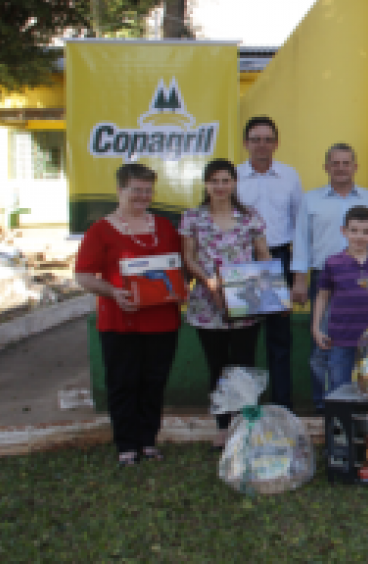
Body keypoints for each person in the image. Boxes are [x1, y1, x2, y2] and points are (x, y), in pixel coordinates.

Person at [74, 164, 183, 466]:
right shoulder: (101, 230)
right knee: (123, 383)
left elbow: (176, 267)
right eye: (136, 189)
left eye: (147, 190)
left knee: (154, 382)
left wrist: (180, 286)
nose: (142, 196)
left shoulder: (163, 226)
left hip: (161, 320)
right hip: (120, 320)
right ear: (120, 190)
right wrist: (113, 292)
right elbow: (83, 276)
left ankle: (148, 441)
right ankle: (126, 446)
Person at [179, 159, 274, 447]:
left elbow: (263, 254)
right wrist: (210, 283)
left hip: (245, 299)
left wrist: (270, 290)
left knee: (244, 366)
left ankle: (245, 423)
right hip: (208, 303)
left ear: (234, 183)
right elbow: (189, 258)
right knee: (218, 366)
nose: (220, 187)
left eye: (226, 181)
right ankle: (222, 426)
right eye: (214, 181)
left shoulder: (250, 217)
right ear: (206, 184)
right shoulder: (192, 217)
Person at [290, 143, 368, 412]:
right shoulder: (311, 199)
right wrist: (299, 278)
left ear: (355, 167)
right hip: (325, 277)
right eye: (335, 163)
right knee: (324, 345)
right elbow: (301, 239)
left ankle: (367, 401)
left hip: (366, 278)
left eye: (346, 163)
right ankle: (324, 403)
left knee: (366, 345)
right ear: (326, 167)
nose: (341, 168)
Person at [236, 115, 303, 410]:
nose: (261, 145)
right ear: (245, 143)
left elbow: (300, 226)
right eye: (255, 139)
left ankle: (281, 407)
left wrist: (298, 273)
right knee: (244, 338)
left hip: (279, 258)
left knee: (279, 338)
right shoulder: (234, 176)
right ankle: (247, 407)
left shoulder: (289, 176)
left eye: (267, 139)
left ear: (276, 143)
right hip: (244, 261)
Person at [310, 206, 368, 410]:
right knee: (339, 388)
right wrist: (316, 328)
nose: (359, 236)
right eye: (353, 230)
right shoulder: (333, 262)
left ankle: (367, 430)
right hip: (340, 337)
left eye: (365, 232)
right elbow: (322, 296)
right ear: (343, 231)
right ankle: (339, 433)